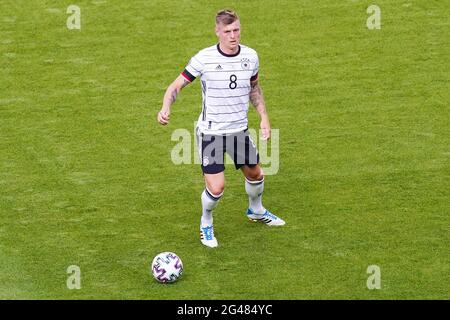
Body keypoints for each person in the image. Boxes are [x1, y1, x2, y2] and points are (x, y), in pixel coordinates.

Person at [157, 9, 285, 248]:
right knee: (217, 187)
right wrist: (166, 107)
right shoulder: (204, 59)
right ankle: (206, 222)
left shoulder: (251, 56)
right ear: (217, 32)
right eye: (227, 31)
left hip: (240, 130)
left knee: (256, 174)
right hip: (211, 133)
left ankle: (255, 211)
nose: (232, 35)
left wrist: (264, 117)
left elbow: (254, 89)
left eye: (236, 29)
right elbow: (176, 85)